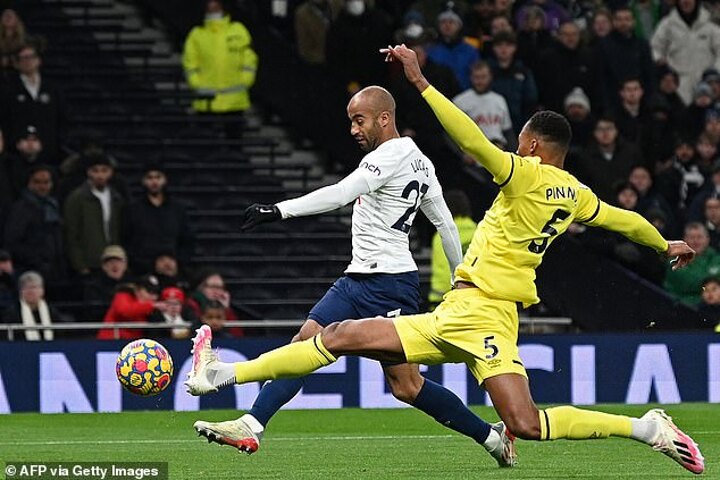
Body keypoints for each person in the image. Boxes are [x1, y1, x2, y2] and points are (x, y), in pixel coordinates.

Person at [184, 45, 704, 475]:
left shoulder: (525, 173)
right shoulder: (576, 194)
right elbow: (622, 219)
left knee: (360, 349)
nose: (515, 147)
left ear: (534, 146)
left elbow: (471, 139)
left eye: (520, 142)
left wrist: (420, 82)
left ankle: (222, 375)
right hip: (480, 313)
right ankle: (644, 428)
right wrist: (664, 244)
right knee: (348, 341)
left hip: (478, 311)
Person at [187, 85, 516, 467]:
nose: (353, 130)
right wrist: (461, 281)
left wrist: (279, 210)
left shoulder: (390, 154)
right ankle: (251, 423)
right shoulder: (422, 163)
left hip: (390, 285)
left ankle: (491, 437)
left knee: (407, 386)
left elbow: (342, 193)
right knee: (304, 342)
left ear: (384, 118)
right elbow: (445, 225)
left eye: (359, 120)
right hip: (358, 278)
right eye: (351, 122)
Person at [182, 0, 258, 122]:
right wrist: (197, 84)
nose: (213, 5)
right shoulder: (196, 34)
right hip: (207, 100)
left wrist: (245, 80)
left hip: (235, 101)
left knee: (232, 133)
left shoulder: (238, 30)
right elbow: (190, 62)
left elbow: (249, 58)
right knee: (206, 133)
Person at [0, 43, 66, 161]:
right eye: (23, 58)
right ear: (17, 63)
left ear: (38, 60)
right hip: (15, 153)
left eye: (31, 57)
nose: (28, 61)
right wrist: (16, 142)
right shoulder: (7, 89)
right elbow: (5, 119)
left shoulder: (52, 89)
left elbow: (60, 118)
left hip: (48, 151)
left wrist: (47, 142)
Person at [123, 164, 193, 274]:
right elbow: (126, 241)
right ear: (143, 181)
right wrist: (145, 264)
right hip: (142, 272)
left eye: (158, 177)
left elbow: (187, 240)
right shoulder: (132, 209)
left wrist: (177, 262)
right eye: (150, 178)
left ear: (165, 180)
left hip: (174, 271)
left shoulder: (177, 209)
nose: (154, 182)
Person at [63, 152, 124, 276]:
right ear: (88, 172)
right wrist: (80, 265)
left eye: (104, 170)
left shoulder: (116, 197)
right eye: (95, 171)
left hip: (114, 262)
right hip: (90, 263)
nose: (100, 175)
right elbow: (71, 234)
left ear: (111, 172)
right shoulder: (77, 198)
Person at [651, 0, 720, 105]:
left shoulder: (709, 24)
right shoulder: (667, 24)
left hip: (705, 87)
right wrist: (660, 62)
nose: (686, 1)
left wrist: (714, 75)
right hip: (678, 88)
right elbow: (654, 48)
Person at [4, 164, 64, 282]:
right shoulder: (21, 209)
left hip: (55, 269)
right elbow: (12, 241)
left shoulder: (53, 206)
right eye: (37, 182)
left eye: (46, 182)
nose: (42, 186)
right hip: (30, 269)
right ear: (29, 183)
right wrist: (36, 259)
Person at [428, 190, 477, 307]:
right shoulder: (478, 233)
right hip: (472, 299)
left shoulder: (441, 236)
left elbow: (444, 269)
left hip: (443, 300)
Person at [453, 61, 514, 150]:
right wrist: (462, 154)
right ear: (471, 78)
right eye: (476, 77)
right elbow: (451, 133)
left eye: (483, 77)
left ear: (490, 77)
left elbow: (508, 132)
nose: (480, 81)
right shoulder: (460, 101)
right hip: (473, 151)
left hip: (499, 149)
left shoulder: (499, 100)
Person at [664, 222, 720, 306]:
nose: (696, 241)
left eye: (699, 237)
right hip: (681, 306)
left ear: (707, 239)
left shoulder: (715, 257)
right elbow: (687, 282)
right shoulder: (675, 259)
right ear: (684, 240)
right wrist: (712, 286)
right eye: (692, 237)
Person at [1, 271, 66, 341]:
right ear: (21, 292)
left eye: (34, 287)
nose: (31, 291)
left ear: (42, 291)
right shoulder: (11, 314)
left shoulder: (52, 312)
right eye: (26, 288)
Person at [97, 274, 165, 340]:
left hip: (134, 342)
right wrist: (151, 306)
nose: (154, 297)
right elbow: (124, 310)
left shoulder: (152, 306)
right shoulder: (123, 295)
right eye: (150, 292)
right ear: (138, 290)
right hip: (111, 341)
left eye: (156, 293)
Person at [83, 245, 130, 322]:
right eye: (110, 262)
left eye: (118, 261)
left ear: (125, 265)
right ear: (104, 266)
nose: (115, 265)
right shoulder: (94, 287)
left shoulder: (134, 286)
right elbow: (94, 313)